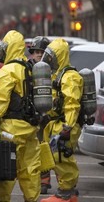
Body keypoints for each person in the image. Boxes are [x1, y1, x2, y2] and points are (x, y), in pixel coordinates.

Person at [0, 30, 41, 202]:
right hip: (30, 128)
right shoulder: (32, 68)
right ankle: (31, 199)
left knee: (6, 169)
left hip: (10, 129)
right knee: (30, 169)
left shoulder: (8, 70)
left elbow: (0, 98)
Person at [40, 38, 83, 202]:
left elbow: (72, 104)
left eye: (52, 56)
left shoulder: (70, 77)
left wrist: (68, 126)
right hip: (57, 122)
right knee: (57, 157)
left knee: (62, 157)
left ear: (59, 56)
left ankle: (65, 192)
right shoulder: (58, 75)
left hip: (65, 122)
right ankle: (68, 193)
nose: (49, 60)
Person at [28, 36, 52, 194]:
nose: (38, 54)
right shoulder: (26, 68)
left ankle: (44, 181)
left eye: (41, 52)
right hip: (30, 115)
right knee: (30, 150)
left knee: (44, 148)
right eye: (35, 52)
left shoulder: (52, 70)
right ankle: (32, 179)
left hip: (47, 117)